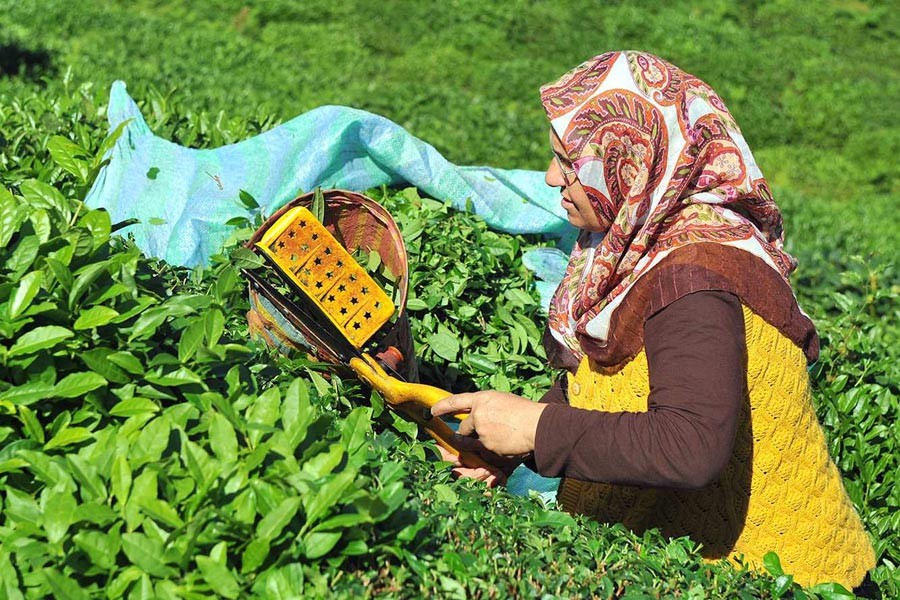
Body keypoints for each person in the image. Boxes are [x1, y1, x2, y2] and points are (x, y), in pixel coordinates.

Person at [430, 51, 878, 593]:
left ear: (631, 162)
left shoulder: (695, 276)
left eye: (569, 164)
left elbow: (691, 446)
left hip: (785, 580)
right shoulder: (639, 247)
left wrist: (537, 429)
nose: (552, 179)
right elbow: (618, 380)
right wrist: (512, 444)